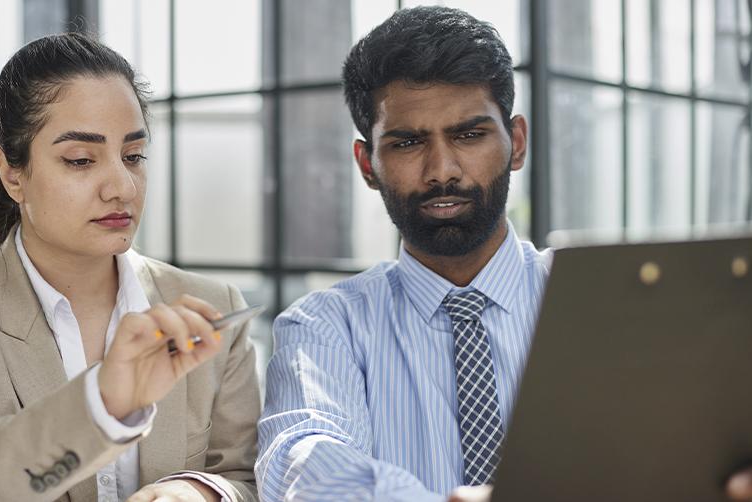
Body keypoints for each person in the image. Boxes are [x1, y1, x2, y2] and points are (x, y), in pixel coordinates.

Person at [255, 6, 752, 502]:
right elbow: (306, 465)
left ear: (516, 142)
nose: (442, 170)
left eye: (469, 135)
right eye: (407, 142)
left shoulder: (609, 301)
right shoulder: (324, 327)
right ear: (367, 164)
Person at [0, 33, 259, 502]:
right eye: (81, 160)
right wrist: (103, 404)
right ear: (12, 172)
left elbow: (247, 476)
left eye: (133, 156)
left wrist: (200, 493)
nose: (122, 187)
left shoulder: (214, 308)